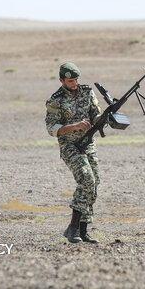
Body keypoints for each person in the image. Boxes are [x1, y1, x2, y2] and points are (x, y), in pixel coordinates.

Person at [45, 62, 102, 243]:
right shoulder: (56, 100)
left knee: (94, 184)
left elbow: (96, 114)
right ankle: (72, 228)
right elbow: (52, 128)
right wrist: (76, 126)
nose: (74, 83)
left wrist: (104, 117)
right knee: (87, 179)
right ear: (61, 80)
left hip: (88, 143)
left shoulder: (87, 92)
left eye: (76, 79)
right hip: (70, 146)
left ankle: (83, 231)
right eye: (70, 80)